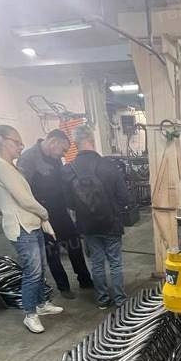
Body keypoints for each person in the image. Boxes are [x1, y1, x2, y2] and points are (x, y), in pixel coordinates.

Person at [0, 124, 63, 334]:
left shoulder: (10, 166)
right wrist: (45, 214)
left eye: (21, 143)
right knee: (32, 272)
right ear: (2, 140)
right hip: (21, 228)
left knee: (40, 269)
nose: (21, 147)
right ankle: (30, 314)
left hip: (31, 225)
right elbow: (24, 199)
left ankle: (41, 304)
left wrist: (42, 221)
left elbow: (27, 198)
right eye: (17, 142)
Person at [17, 129, 93, 299]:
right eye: (63, 150)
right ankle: (64, 287)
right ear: (53, 142)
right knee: (52, 252)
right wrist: (37, 215)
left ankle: (85, 280)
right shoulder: (28, 159)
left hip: (60, 210)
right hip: (42, 215)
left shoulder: (55, 158)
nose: (63, 154)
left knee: (75, 245)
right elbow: (22, 191)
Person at [64, 125, 130, 309]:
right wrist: (114, 209)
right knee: (115, 263)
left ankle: (102, 299)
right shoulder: (108, 165)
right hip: (111, 223)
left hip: (88, 226)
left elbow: (69, 203)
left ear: (76, 144)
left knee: (96, 263)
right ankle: (120, 300)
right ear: (92, 140)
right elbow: (124, 197)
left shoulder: (69, 169)